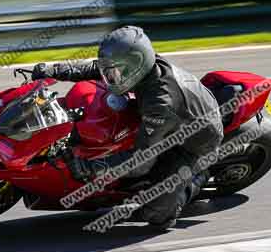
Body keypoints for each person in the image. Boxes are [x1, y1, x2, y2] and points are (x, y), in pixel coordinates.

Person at [31, 25, 223, 230]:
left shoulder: (160, 103)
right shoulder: (140, 67)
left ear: (135, 66)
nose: (110, 76)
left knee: (156, 215)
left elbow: (141, 162)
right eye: (110, 70)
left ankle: (199, 176)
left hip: (193, 144)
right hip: (170, 121)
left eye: (114, 72)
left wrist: (88, 168)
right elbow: (99, 68)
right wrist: (54, 71)